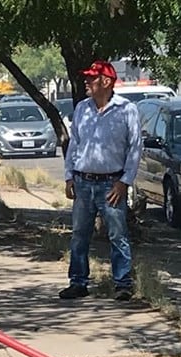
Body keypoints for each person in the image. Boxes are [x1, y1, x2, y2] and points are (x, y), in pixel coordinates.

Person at [61, 60, 142, 301]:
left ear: (106, 82)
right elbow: (74, 144)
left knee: (117, 234)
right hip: (83, 182)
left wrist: (124, 182)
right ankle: (78, 282)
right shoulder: (82, 109)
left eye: (91, 78)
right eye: (86, 78)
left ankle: (123, 284)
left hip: (111, 184)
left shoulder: (126, 110)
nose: (86, 82)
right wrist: (69, 176)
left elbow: (135, 148)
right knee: (79, 234)